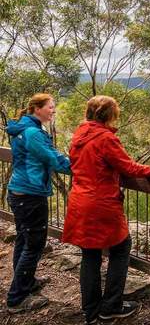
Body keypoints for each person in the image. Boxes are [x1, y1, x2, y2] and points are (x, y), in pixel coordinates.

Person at [62, 95, 150, 325]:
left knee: (90, 255)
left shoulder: (79, 135)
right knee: (121, 248)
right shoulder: (105, 138)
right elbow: (126, 166)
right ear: (109, 115)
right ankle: (111, 307)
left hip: (80, 201)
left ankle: (91, 312)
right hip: (101, 203)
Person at [6, 93, 71, 314]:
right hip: (30, 195)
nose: (53, 110)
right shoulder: (33, 132)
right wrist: (84, 166)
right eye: (50, 107)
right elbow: (55, 160)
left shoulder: (24, 127)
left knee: (24, 240)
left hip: (19, 191)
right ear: (37, 108)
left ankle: (26, 283)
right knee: (33, 245)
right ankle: (16, 298)